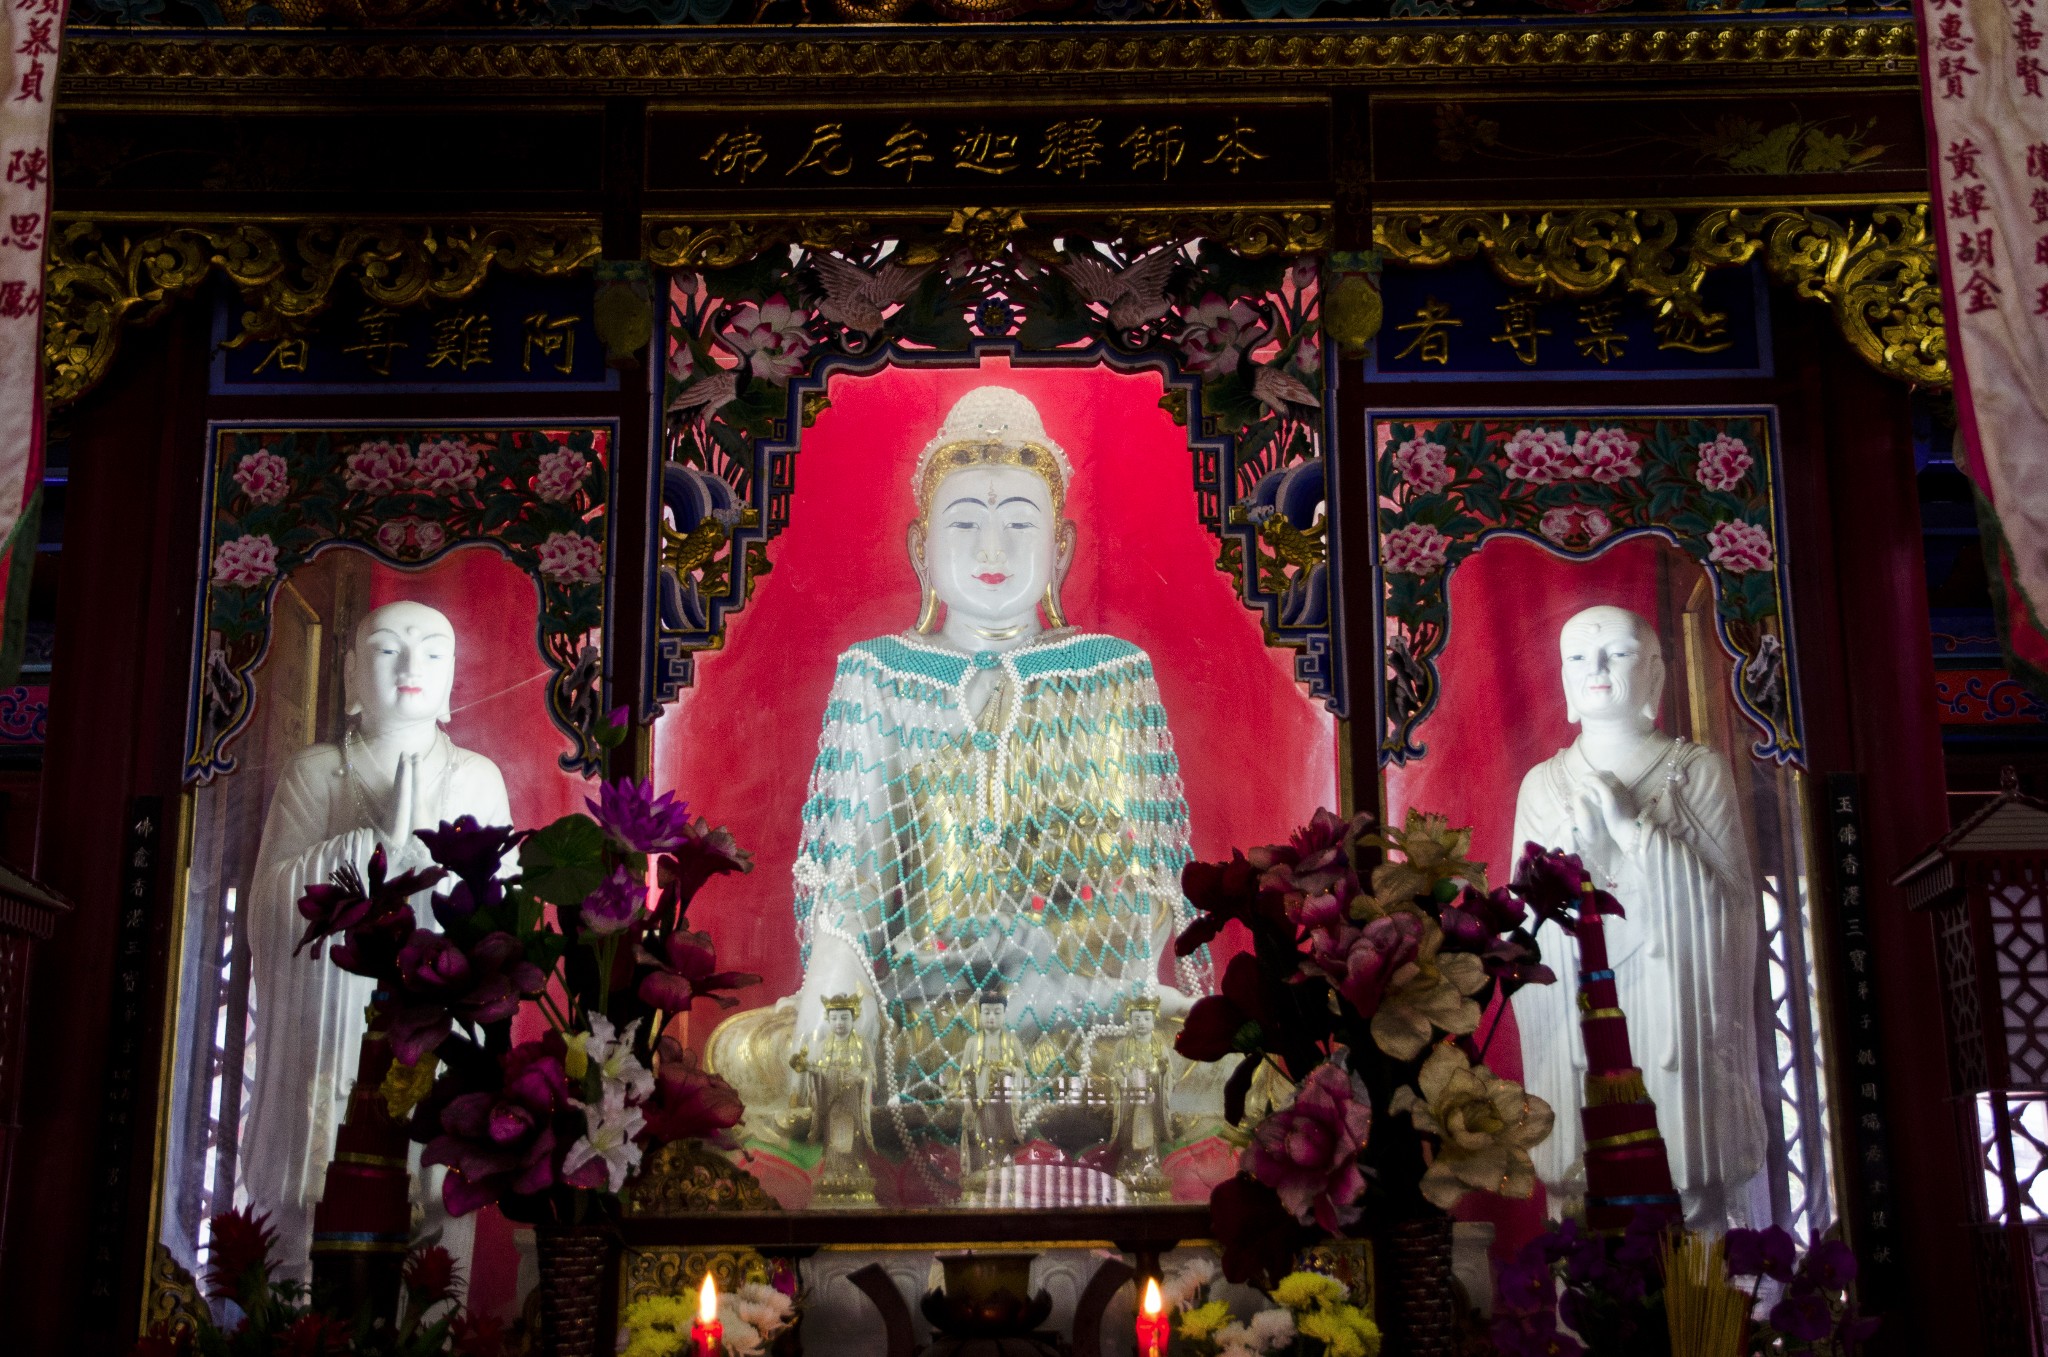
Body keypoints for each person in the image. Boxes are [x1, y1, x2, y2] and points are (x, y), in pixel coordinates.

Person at [786, 384, 1206, 1146]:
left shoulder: (1111, 673)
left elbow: (1144, 889)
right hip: (921, 1007)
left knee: (1219, 1065)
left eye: (1019, 523)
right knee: (760, 1055)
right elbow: (854, 885)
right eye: (964, 524)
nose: (991, 551)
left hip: (1077, 1010)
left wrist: (1058, 972)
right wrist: (835, 991)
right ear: (921, 546)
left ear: (1061, 548)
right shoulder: (878, 675)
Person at [240, 599, 510, 1273]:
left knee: (430, 1209)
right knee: (312, 1206)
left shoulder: (478, 777)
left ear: (453, 679)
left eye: (433, 653)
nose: (411, 666)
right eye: (388, 649)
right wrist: (367, 851)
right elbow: (269, 907)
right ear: (350, 673)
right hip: (328, 1028)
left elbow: (502, 922)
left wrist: (434, 888)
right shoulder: (316, 771)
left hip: (434, 1024)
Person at [1508, 605, 1768, 1231]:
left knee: (1684, 1186)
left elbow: (1730, 912)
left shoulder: (1696, 771)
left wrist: (1634, 833)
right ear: (1563, 678)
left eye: (1618, 654)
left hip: (1669, 1004)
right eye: (1578, 657)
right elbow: (1524, 929)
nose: (1595, 669)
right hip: (1582, 1001)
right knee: (1585, 1190)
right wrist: (1574, 859)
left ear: (1654, 671)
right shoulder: (1543, 785)